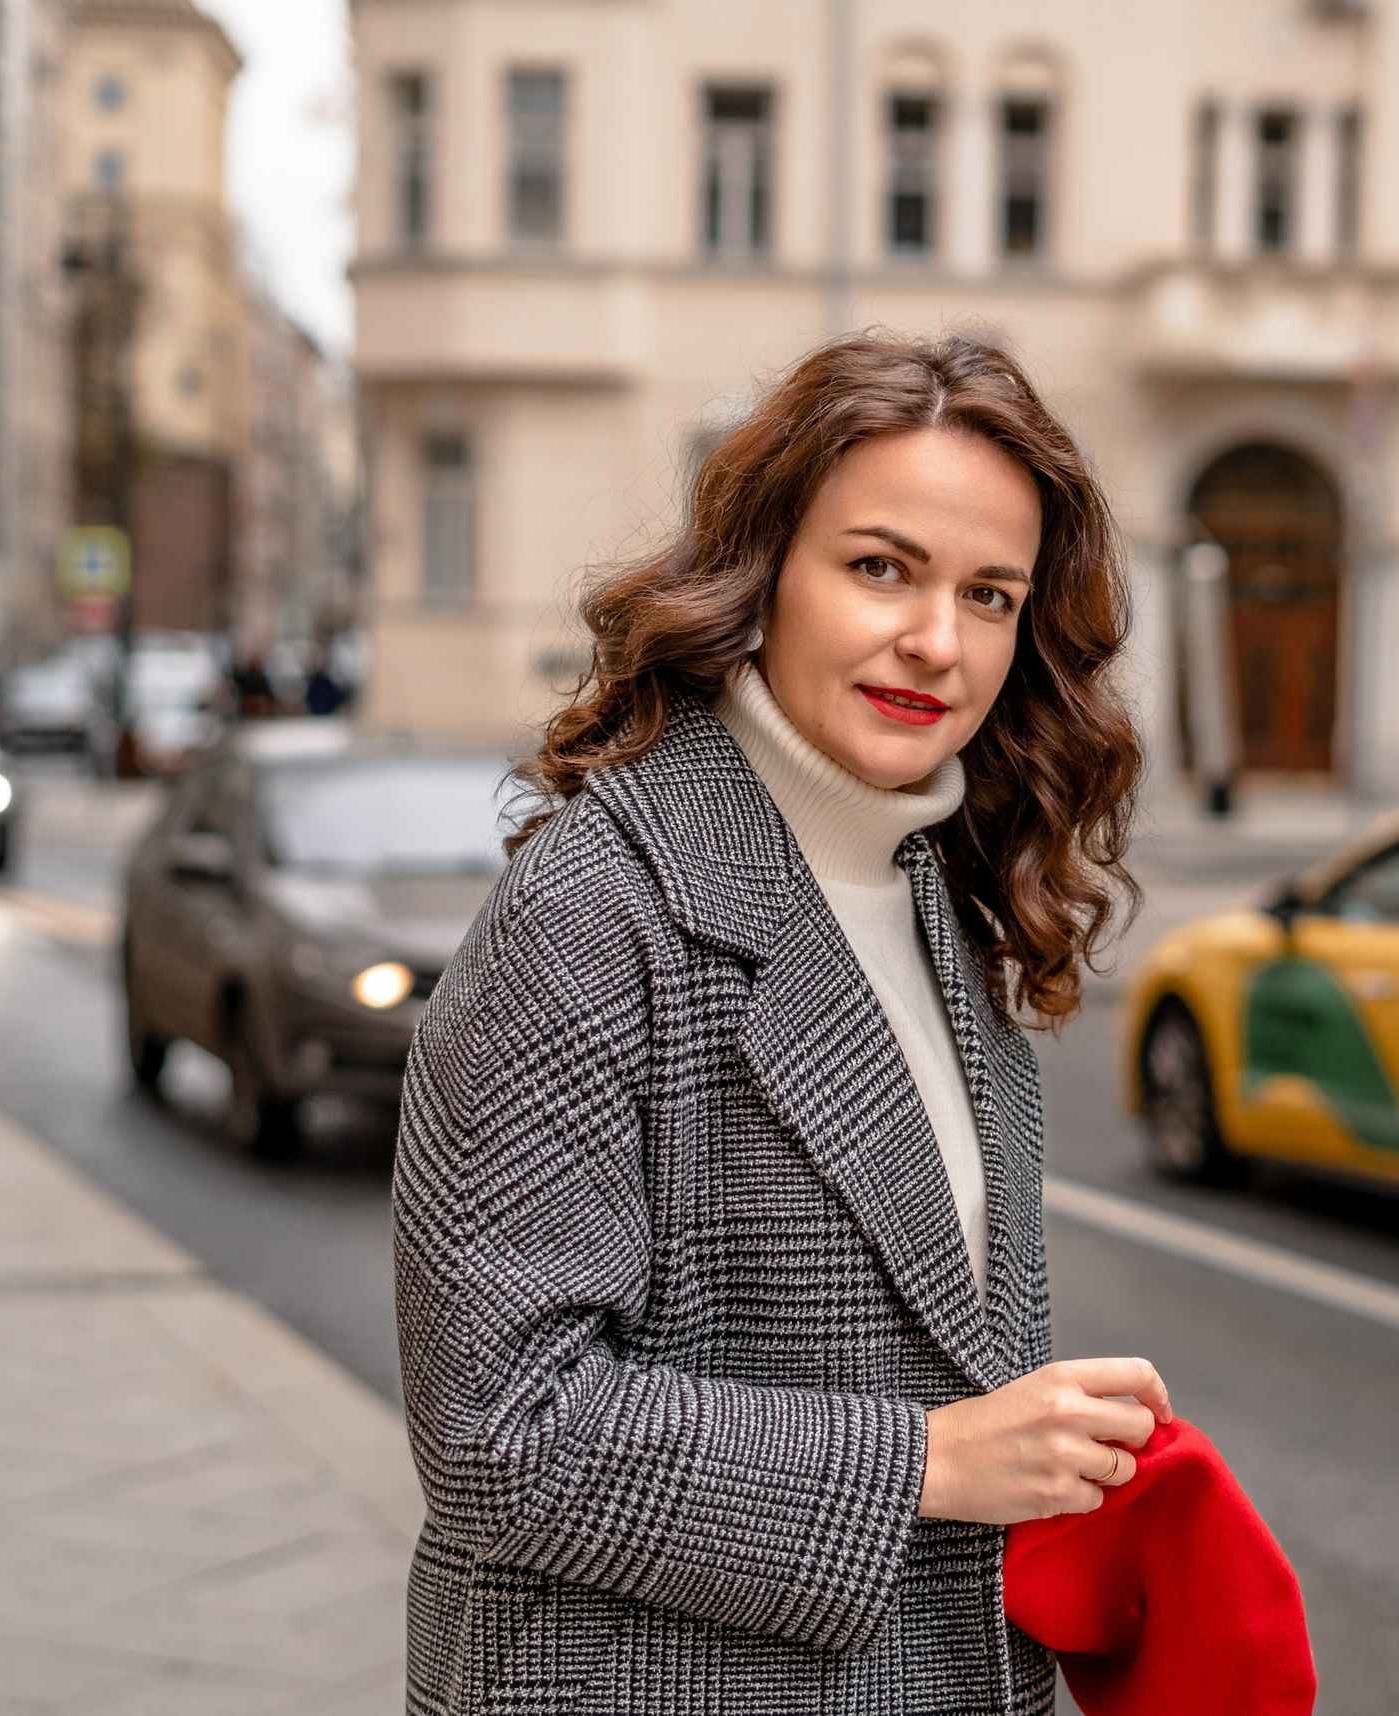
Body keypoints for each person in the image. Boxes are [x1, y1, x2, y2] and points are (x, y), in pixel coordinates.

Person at [394, 333, 1167, 1714]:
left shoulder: (946, 907)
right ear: (760, 576)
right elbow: (499, 1434)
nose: (939, 641)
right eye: (882, 568)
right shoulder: (594, 910)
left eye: (990, 595)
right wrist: (932, 1462)